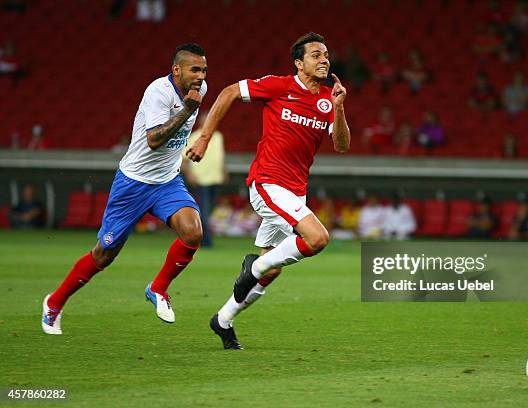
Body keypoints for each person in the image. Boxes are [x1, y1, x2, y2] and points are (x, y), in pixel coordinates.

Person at [186, 32, 350, 349]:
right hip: (267, 183)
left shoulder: (329, 100)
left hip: (295, 191)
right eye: (316, 54)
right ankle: (254, 266)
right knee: (317, 238)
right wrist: (205, 137)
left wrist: (340, 107)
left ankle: (223, 320)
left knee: (271, 270)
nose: (324, 59)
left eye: (326, 54)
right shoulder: (279, 86)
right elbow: (231, 91)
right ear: (299, 63)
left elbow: (342, 145)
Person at [41, 43, 208, 335]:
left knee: (193, 232)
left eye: (205, 70)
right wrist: (187, 111)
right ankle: (54, 302)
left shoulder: (200, 90)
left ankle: (158, 289)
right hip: (133, 182)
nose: (201, 76)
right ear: (176, 70)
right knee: (105, 254)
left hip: (167, 180)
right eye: (195, 69)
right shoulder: (158, 92)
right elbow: (155, 139)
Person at [182, 112, 227, 247]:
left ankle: (201, 238)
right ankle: (205, 241)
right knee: (204, 210)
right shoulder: (194, 137)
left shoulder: (218, 136)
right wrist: (189, 174)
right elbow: (184, 160)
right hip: (201, 179)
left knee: (209, 210)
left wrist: (224, 171)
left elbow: (220, 156)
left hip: (216, 178)